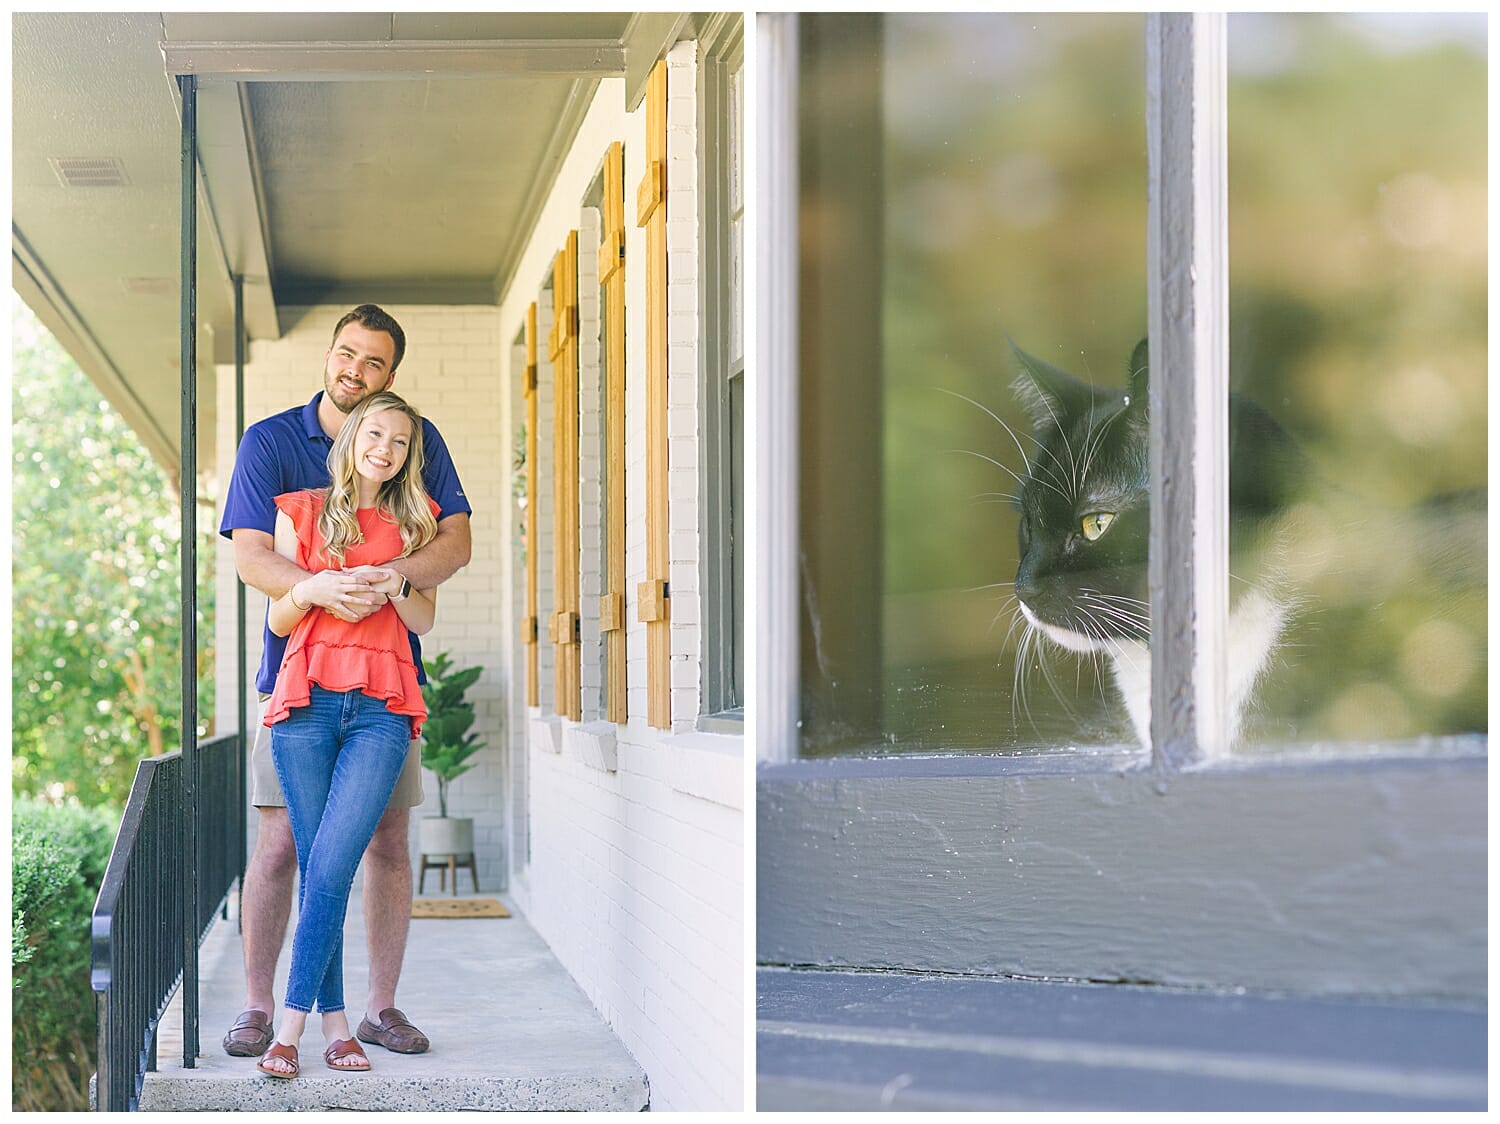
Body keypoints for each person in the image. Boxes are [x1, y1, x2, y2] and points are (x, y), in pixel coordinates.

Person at [218, 305, 470, 1060]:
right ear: (329, 355)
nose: (354, 371)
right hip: (298, 677)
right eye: (346, 355)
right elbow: (253, 557)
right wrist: (322, 591)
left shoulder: (417, 445)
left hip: (387, 686)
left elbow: (453, 540)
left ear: (390, 377)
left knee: (386, 841)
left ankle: (377, 1010)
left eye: (373, 364)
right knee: (281, 843)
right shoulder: (271, 443)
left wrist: (391, 576)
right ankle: (264, 1008)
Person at [255, 391, 440, 1078]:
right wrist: (314, 590)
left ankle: (289, 1030)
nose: (384, 448)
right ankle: (337, 1028)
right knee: (320, 868)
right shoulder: (298, 509)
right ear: (353, 435)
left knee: (331, 865)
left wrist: (395, 584)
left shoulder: (417, 523)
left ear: (407, 456)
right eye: (376, 433)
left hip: (381, 710)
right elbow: (277, 622)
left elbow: (422, 624)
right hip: (304, 705)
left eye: (399, 442)